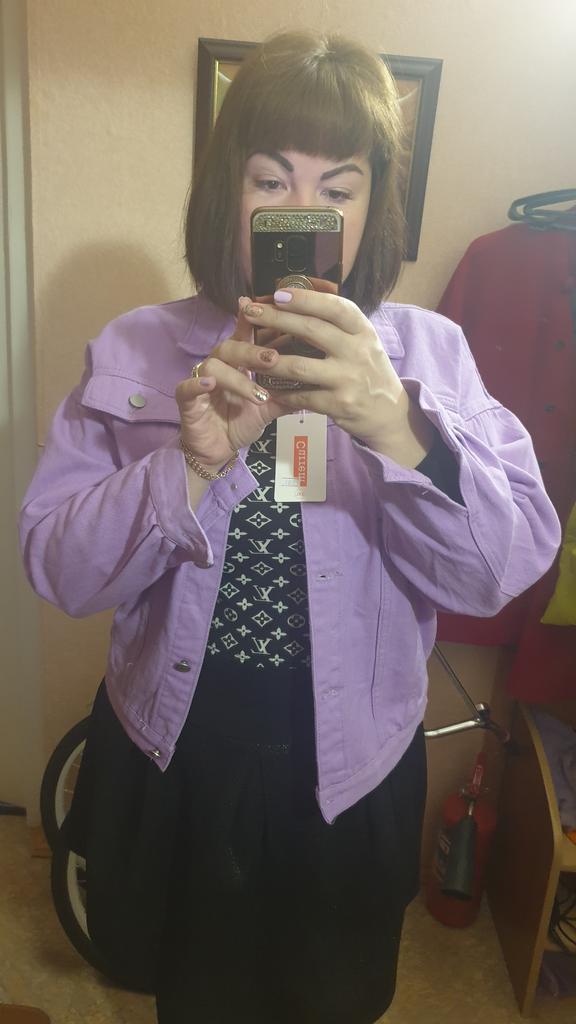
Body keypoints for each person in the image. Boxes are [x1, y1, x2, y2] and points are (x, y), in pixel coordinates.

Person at [19, 30, 560, 1024]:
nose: (304, 209)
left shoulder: (428, 354)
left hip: (350, 764)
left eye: (338, 187)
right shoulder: (138, 345)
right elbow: (57, 569)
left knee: (330, 997)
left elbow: (501, 571)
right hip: (174, 750)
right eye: (272, 178)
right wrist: (189, 464)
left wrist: (395, 425)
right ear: (227, 190)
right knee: (188, 996)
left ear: (372, 207)